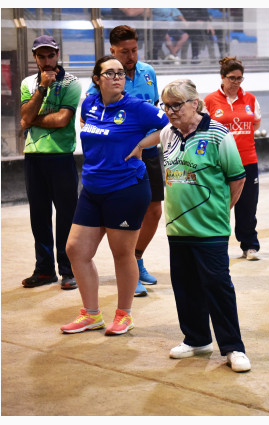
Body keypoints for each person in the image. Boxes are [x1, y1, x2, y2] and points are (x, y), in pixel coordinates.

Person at [60, 56, 169, 335]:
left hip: (126, 188)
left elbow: (170, 125)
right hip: (92, 188)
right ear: (97, 79)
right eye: (110, 73)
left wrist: (143, 143)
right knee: (75, 250)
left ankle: (124, 314)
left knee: (122, 254)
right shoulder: (90, 104)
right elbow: (87, 128)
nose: (118, 77)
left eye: (121, 73)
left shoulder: (136, 107)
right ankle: (91, 314)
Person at [160, 79, 251, 372]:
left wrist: (223, 211)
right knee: (185, 286)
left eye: (177, 105)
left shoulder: (218, 134)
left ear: (194, 104)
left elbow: (237, 178)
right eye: (166, 106)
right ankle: (196, 339)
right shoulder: (166, 134)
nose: (171, 111)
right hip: (177, 227)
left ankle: (233, 347)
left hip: (211, 229)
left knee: (217, 286)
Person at [86, 25, 163, 298]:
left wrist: (143, 143)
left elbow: (157, 111)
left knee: (154, 211)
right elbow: (90, 115)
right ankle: (128, 264)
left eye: (134, 50)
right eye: (124, 52)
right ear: (112, 51)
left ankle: (138, 258)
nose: (130, 56)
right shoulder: (107, 77)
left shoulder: (148, 73)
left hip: (149, 153)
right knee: (121, 219)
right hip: (120, 161)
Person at [20, 35, 81, 290]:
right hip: (34, 156)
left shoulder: (72, 83)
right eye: (41, 56)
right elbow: (25, 115)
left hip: (61, 156)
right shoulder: (28, 83)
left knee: (66, 216)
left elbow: (61, 120)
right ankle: (44, 270)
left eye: (50, 55)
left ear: (58, 55)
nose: (47, 61)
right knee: (39, 216)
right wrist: (42, 89)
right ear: (35, 57)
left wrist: (32, 119)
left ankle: (68, 270)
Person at [205, 57, 261, 261]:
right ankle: (215, 244)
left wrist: (239, 137)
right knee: (220, 204)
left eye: (240, 78)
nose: (236, 82)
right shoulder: (210, 101)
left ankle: (250, 246)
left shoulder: (251, 99)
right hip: (219, 162)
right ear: (222, 77)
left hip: (247, 160)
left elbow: (254, 124)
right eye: (232, 78)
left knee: (248, 205)